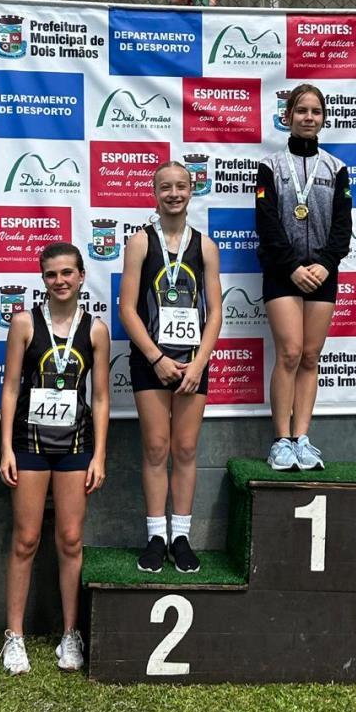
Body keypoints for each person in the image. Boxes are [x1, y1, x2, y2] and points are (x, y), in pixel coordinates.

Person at [0, 242, 109, 675]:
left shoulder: (96, 330)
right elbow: (9, 387)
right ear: (42, 279)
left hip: (75, 447)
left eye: (67, 273)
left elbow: (100, 397)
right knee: (25, 540)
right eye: (51, 274)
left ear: (82, 276)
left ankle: (70, 634)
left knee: (70, 540)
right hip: (29, 445)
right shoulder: (24, 323)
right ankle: (14, 636)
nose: (60, 281)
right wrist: (5, 446)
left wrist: (99, 454)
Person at [119, 162, 222, 574]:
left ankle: (181, 535)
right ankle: (155, 536)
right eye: (166, 187)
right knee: (156, 447)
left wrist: (199, 363)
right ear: (154, 192)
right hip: (151, 361)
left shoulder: (206, 246)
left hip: (193, 362)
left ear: (191, 191)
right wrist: (156, 358)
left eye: (181, 186)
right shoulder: (140, 243)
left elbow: (215, 312)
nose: (174, 193)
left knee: (185, 449)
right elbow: (127, 308)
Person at [255, 84, 352, 472]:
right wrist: (293, 265)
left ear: (324, 118)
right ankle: (280, 440)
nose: (308, 117)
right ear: (288, 116)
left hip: (323, 272)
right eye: (301, 111)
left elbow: (343, 227)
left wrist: (326, 263)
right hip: (283, 271)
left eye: (315, 111)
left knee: (311, 356)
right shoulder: (271, 166)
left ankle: (302, 438)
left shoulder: (336, 168)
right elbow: (266, 223)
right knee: (290, 352)